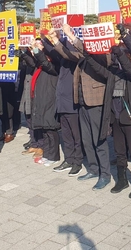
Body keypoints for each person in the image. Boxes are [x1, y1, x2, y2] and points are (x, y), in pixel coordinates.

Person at [83, 43, 131, 198]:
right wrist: (88, 57)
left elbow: (130, 70)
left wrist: (119, 53)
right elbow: (100, 71)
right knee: (119, 151)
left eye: (121, 56)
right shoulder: (114, 73)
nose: (116, 59)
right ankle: (122, 179)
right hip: (116, 118)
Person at [53, 24, 112, 191]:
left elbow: (88, 53)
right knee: (86, 139)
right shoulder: (82, 52)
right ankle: (93, 169)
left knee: (98, 140)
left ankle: (105, 174)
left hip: (96, 101)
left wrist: (71, 36)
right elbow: (68, 53)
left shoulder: (103, 53)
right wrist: (56, 40)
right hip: (82, 101)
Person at [46, 29, 83, 176]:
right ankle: (68, 159)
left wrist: (65, 36)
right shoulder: (62, 60)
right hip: (62, 102)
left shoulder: (75, 58)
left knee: (76, 135)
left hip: (72, 103)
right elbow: (52, 51)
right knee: (66, 135)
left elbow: (65, 51)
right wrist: (47, 38)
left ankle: (77, 161)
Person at [21, 38, 61, 166]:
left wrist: (37, 49)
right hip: (41, 100)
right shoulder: (40, 66)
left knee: (50, 130)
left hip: (50, 101)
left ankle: (53, 156)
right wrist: (27, 50)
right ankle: (47, 154)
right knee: (45, 130)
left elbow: (43, 60)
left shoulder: (53, 65)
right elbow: (34, 62)